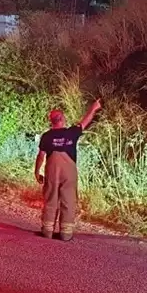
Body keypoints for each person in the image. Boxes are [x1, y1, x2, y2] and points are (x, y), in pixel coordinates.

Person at [34, 99, 102, 241]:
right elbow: (85, 121)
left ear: (51, 121)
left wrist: (37, 172)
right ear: (63, 119)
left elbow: (40, 156)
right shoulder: (71, 133)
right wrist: (94, 108)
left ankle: (47, 230)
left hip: (52, 171)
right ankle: (66, 233)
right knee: (68, 200)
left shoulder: (46, 136)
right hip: (69, 171)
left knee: (51, 198)